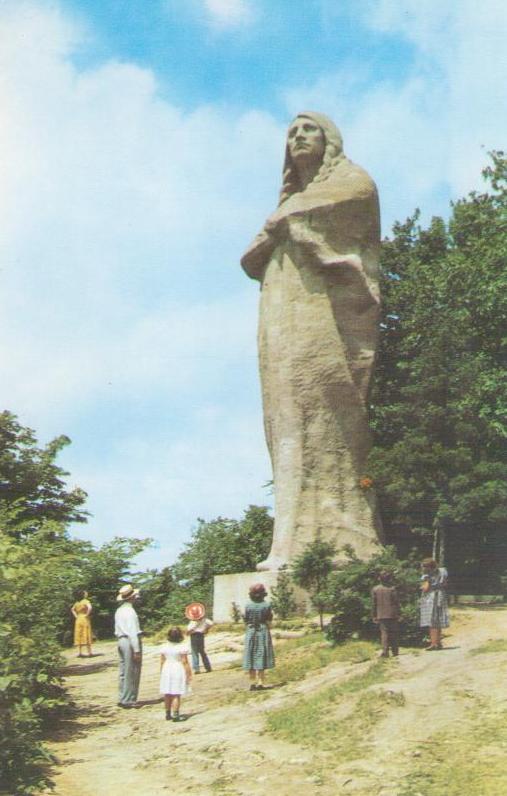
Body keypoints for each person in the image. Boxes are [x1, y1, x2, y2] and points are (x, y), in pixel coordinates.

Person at [241, 113, 383, 572]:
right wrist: (279, 225)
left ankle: (345, 540)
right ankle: (289, 540)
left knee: (322, 412)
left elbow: (299, 222)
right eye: (291, 133)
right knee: (285, 420)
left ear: (329, 140)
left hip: (319, 320)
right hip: (282, 313)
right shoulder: (296, 200)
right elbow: (249, 258)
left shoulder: (351, 181)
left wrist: (283, 222)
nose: (299, 137)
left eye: (309, 129)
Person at [114, 584, 143, 707]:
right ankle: (129, 699)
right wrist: (136, 650)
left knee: (123, 670)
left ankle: (122, 697)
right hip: (129, 641)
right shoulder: (130, 612)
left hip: (121, 640)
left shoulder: (119, 610)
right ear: (132, 597)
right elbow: (132, 632)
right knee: (132, 670)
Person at [242, 583, 275, 690]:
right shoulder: (266, 605)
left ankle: (252, 682)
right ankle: (260, 682)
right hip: (263, 631)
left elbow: (246, 620)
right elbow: (269, 619)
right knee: (261, 654)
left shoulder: (248, 605)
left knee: (250, 654)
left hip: (251, 631)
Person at [159, 627, 192, 722]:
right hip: (177, 668)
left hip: (167, 668)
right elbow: (184, 661)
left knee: (167, 692)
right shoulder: (182, 647)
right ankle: (176, 715)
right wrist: (188, 673)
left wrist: (162, 672)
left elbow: (162, 661)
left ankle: (167, 714)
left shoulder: (164, 646)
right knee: (176, 693)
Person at [419, 558, 449, 650]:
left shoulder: (427, 575)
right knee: (438, 620)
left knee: (432, 621)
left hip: (431, 597)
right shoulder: (443, 571)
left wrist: (421, 587)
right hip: (441, 595)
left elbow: (426, 588)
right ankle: (438, 642)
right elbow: (446, 583)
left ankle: (434, 643)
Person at [371, 571, 400, 658]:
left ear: (379, 579)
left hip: (381, 614)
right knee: (394, 633)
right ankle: (395, 651)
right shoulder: (392, 589)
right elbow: (396, 602)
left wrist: (374, 615)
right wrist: (399, 613)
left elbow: (374, 603)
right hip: (392, 614)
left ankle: (385, 652)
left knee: (384, 633)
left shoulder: (375, 589)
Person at [186, 603, 213, 674]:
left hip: (194, 636)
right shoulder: (205, 620)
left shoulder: (192, 622)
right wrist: (206, 629)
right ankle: (208, 667)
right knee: (202, 652)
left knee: (195, 653)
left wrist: (188, 633)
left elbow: (189, 631)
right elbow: (211, 623)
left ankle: (197, 669)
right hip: (201, 635)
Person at [71, 589, 93, 657]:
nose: (87, 594)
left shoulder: (77, 602)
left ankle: (80, 652)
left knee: (79, 634)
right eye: (85, 593)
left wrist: (76, 616)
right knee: (86, 633)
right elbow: (90, 607)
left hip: (78, 618)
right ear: (83, 595)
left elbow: (72, 609)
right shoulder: (86, 601)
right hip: (84, 618)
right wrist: (87, 614)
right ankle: (89, 652)